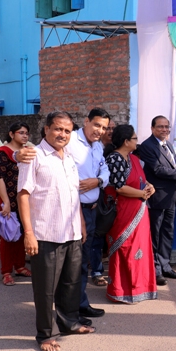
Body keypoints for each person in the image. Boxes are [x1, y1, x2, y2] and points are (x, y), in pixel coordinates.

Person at [17, 111, 95, 351]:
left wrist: (81, 223)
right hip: (45, 233)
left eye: (67, 131)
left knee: (71, 283)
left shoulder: (69, 158)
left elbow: (74, 195)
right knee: (45, 288)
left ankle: (69, 321)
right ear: (47, 129)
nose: (63, 134)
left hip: (71, 232)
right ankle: (46, 334)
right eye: (58, 129)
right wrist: (28, 232)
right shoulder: (33, 156)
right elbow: (23, 195)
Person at [138, 116, 176, 286]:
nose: (164, 130)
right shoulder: (148, 146)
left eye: (167, 127)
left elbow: (173, 166)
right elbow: (158, 170)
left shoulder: (168, 144)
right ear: (152, 128)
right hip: (157, 197)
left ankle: (165, 265)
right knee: (155, 234)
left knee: (167, 233)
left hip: (171, 196)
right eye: (160, 127)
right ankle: (155, 270)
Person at [104, 125, 158, 303]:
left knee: (140, 248)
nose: (137, 141)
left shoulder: (133, 158)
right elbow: (119, 187)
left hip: (139, 211)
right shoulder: (114, 159)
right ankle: (121, 291)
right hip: (123, 211)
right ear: (126, 141)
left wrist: (149, 186)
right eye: (134, 138)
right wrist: (142, 194)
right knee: (125, 248)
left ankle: (140, 288)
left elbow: (141, 179)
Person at [68, 109, 111, 318]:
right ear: (86, 121)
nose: (100, 131)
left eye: (103, 128)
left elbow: (105, 171)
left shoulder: (97, 146)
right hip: (73, 210)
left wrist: (98, 181)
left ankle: (80, 303)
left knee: (83, 260)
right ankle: (71, 309)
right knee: (73, 262)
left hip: (91, 209)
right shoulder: (70, 142)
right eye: (97, 125)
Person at [0, 122, 32, 286]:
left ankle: (20, 266)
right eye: (21, 132)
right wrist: (6, 202)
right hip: (6, 199)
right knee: (8, 236)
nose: (25, 136)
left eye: (27, 133)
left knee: (22, 233)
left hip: (23, 199)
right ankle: (6, 271)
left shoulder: (28, 152)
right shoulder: (2, 153)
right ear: (11, 134)